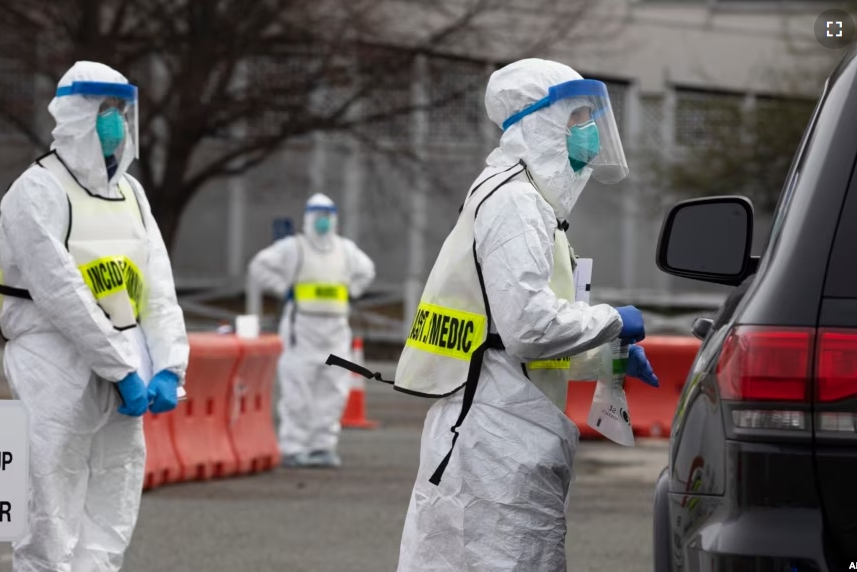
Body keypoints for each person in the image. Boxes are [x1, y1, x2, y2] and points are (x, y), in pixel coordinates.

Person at [393, 59, 659, 571]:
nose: (588, 133)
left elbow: (512, 332)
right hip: (495, 433)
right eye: (576, 117)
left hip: (506, 420)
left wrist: (608, 360)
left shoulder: (530, 203)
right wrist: (613, 320)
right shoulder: (516, 203)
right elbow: (528, 329)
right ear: (539, 121)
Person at [0, 61, 188, 571]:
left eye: (122, 110)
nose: (117, 123)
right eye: (105, 110)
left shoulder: (132, 194)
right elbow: (63, 294)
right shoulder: (35, 192)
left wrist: (169, 364)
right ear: (75, 115)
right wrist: (120, 370)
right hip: (53, 363)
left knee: (114, 493)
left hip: (123, 363)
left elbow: (158, 290)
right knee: (49, 503)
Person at [248, 193, 375, 468]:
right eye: (318, 216)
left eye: (327, 216)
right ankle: (294, 447)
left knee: (333, 389)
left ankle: (322, 445)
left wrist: (353, 291)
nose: (322, 222)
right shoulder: (294, 248)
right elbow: (259, 265)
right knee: (298, 388)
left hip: (335, 330)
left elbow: (367, 271)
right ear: (308, 218)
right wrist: (283, 289)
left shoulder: (345, 250)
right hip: (301, 329)